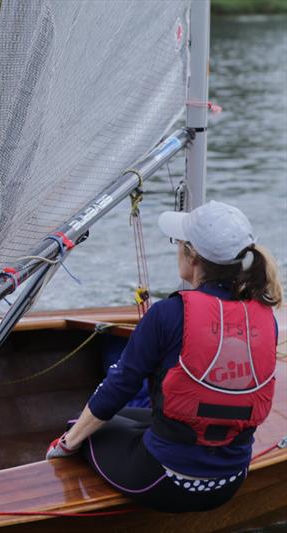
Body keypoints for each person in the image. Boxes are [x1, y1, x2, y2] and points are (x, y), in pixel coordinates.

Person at [45, 200, 281, 513]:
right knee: (126, 418)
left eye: (178, 243)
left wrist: (66, 444)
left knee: (81, 427)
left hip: (168, 481)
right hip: (233, 477)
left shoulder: (168, 314)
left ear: (192, 256)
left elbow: (120, 384)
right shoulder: (265, 317)